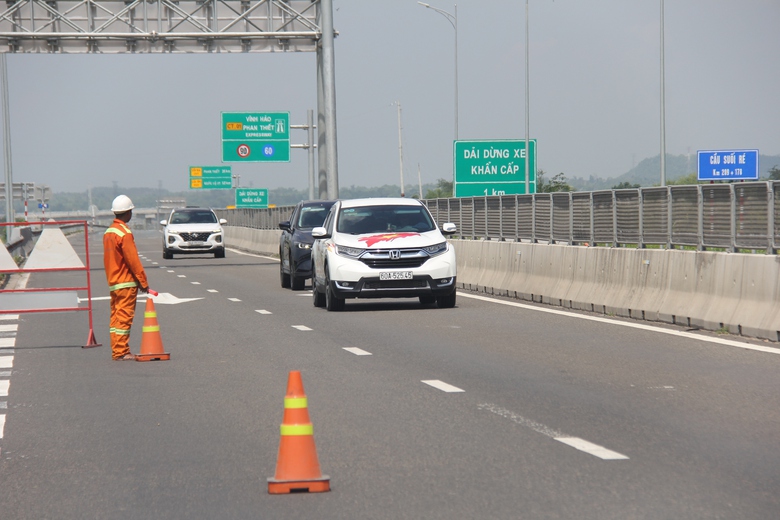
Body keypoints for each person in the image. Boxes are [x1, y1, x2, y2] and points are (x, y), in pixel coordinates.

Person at [103, 195, 149, 361]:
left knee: (115, 318)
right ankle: (122, 351)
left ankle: (117, 350)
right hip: (126, 282)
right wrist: (143, 282)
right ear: (128, 212)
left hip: (113, 282)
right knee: (124, 318)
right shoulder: (124, 233)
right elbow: (133, 260)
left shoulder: (109, 232)